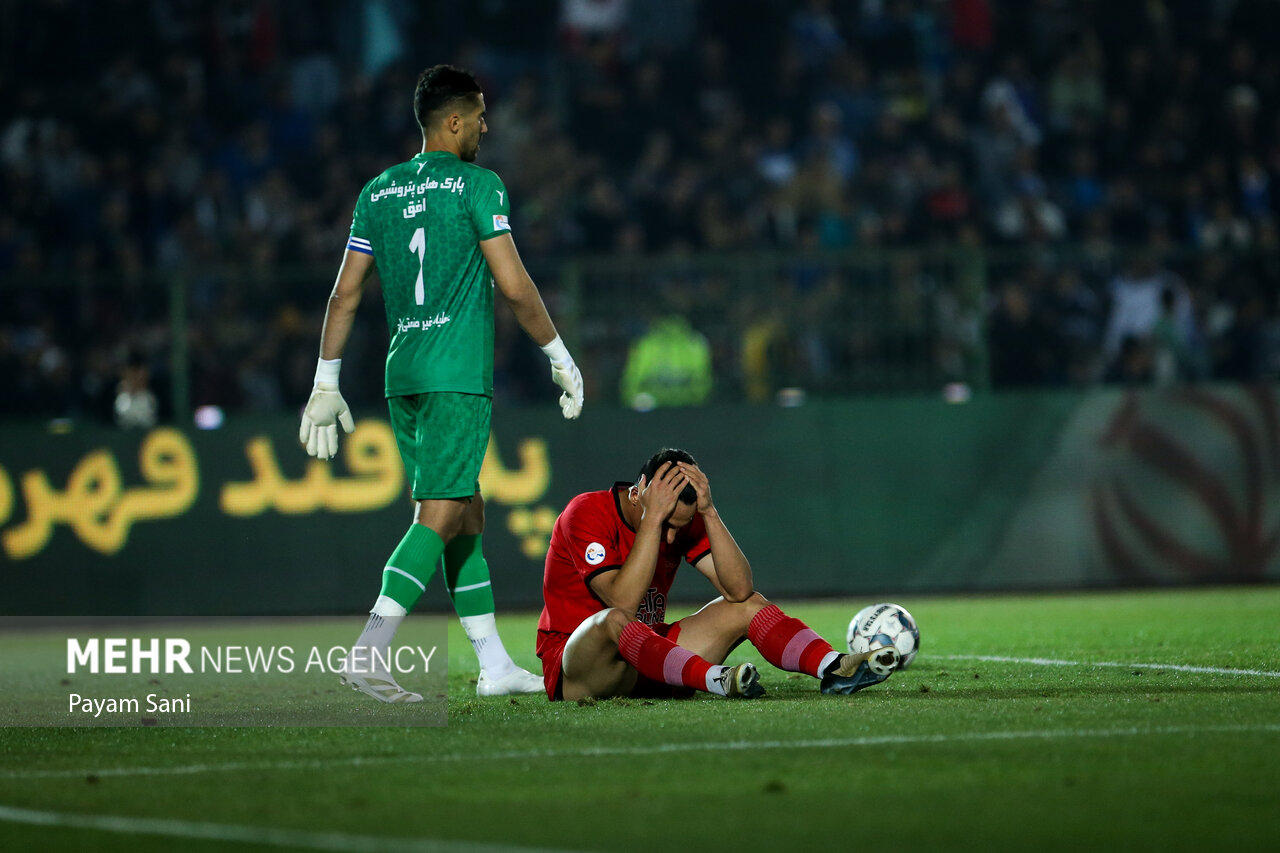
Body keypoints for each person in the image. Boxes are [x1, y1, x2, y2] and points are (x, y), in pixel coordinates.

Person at [299, 65, 585, 703]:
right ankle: (368, 651)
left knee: (466, 509)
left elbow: (345, 292)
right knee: (442, 511)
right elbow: (513, 285)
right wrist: (559, 354)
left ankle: (493, 665)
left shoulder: (377, 192)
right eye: (480, 114)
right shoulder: (479, 186)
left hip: (404, 376)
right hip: (456, 373)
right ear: (452, 121)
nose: (487, 125)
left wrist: (326, 379)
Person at [536, 448, 900, 701]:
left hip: (649, 657)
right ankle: (715, 680)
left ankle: (834, 667)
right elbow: (624, 603)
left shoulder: (683, 520)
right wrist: (653, 520)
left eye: (681, 526)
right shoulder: (585, 513)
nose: (674, 537)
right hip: (583, 670)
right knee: (613, 620)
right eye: (668, 525)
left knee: (748, 606)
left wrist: (708, 513)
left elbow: (740, 588)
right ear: (638, 494)